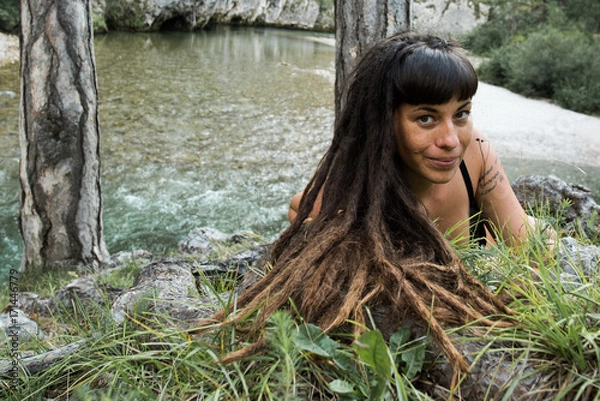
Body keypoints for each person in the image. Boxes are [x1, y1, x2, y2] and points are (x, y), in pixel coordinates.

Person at [203, 31, 548, 373]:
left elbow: (526, 244)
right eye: (425, 118)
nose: (450, 140)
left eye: (461, 114)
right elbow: (301, 210)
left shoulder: (476, 152)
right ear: (385, 122)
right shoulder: (358, 186)